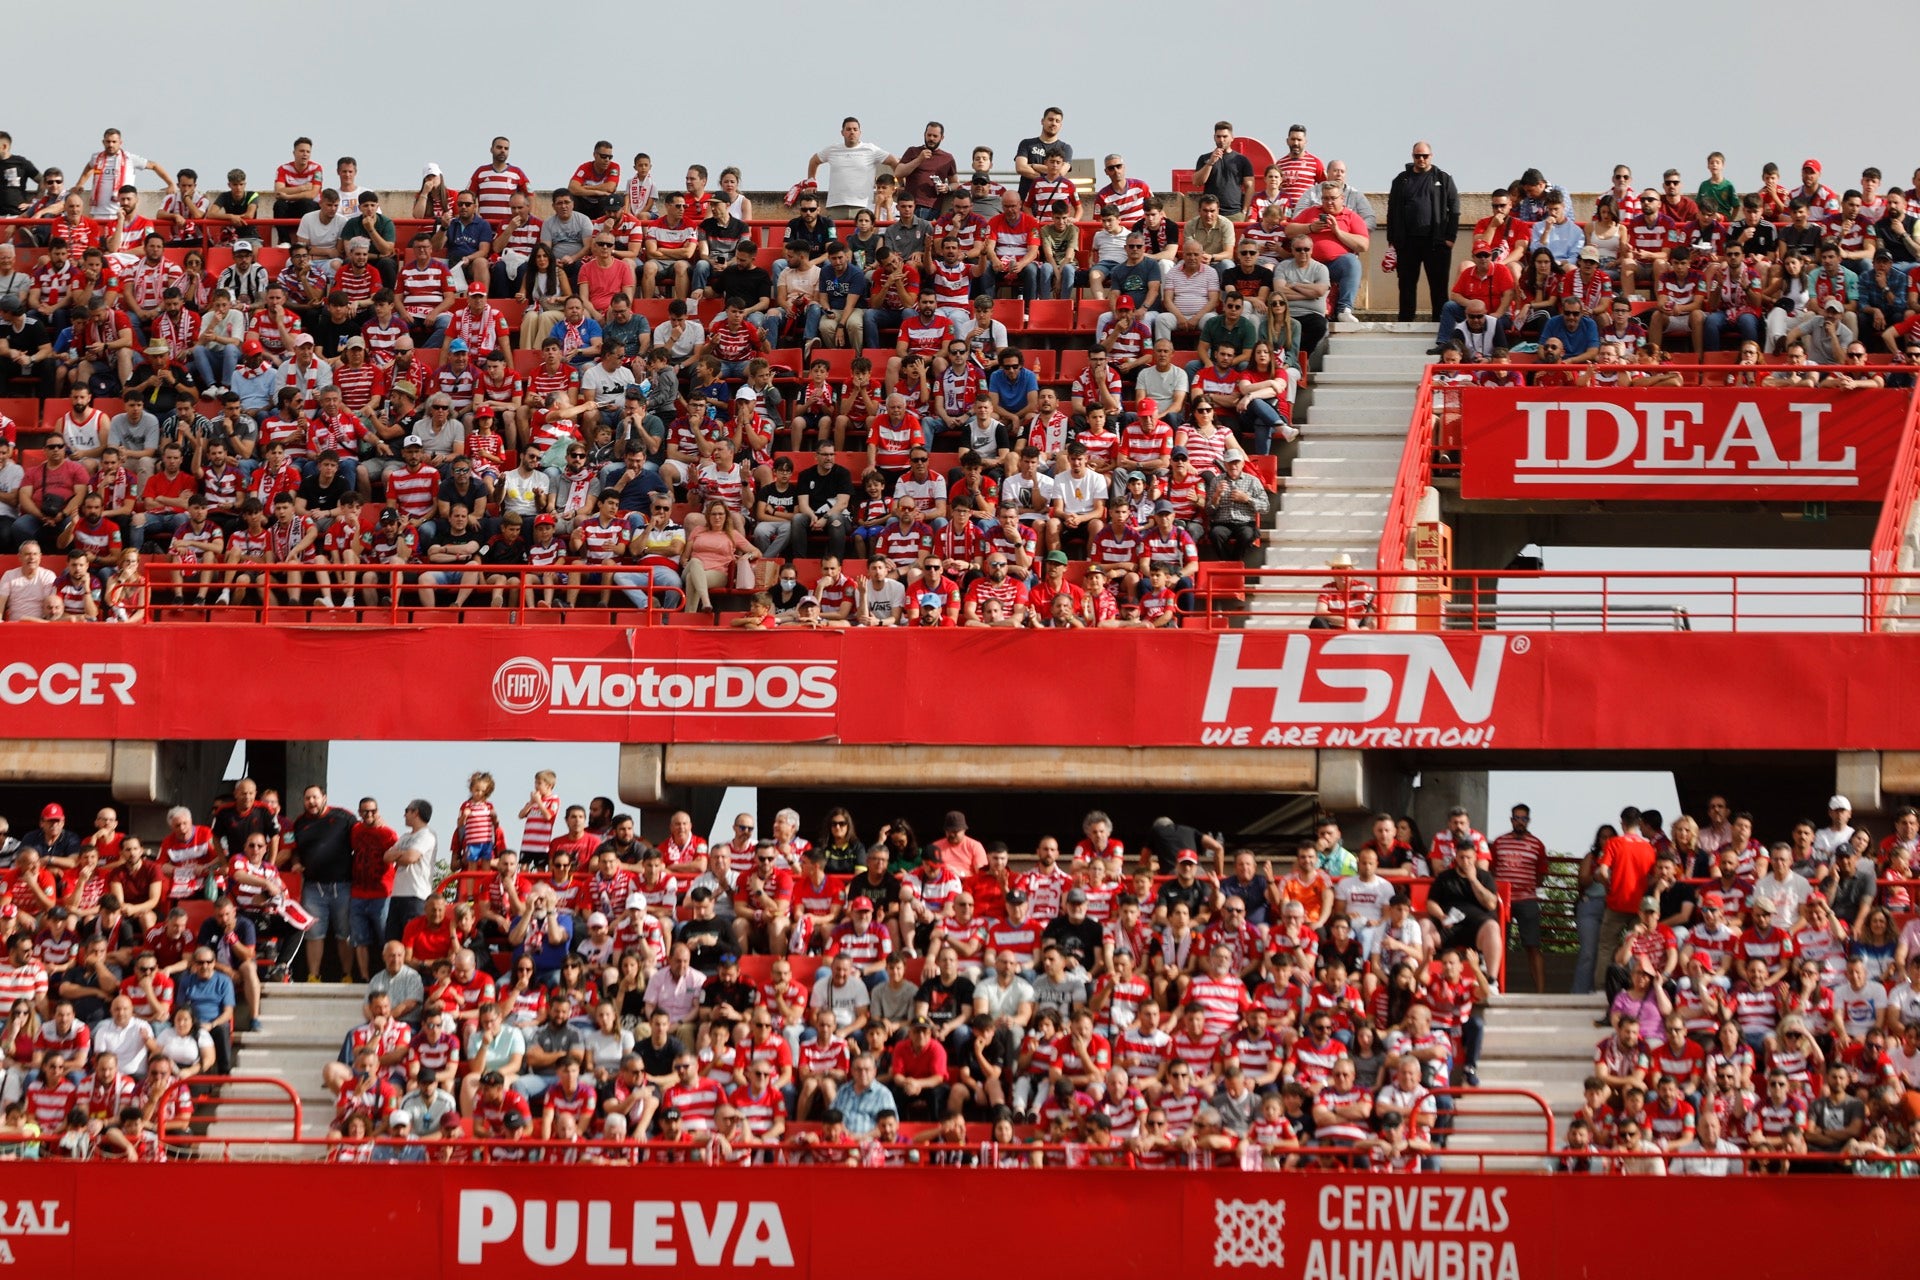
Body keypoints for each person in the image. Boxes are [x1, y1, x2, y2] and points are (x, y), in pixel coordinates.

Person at [1386, 142, 1460, 323]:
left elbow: (1455, 208)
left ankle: (1440, 322)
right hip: (1407, 242)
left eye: (1424, 156)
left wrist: (1450, 237)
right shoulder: (1401, 180)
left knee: (1438, 286)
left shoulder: (1443, 178)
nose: (1421, 159)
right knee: (1406, 284)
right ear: (1412, 156)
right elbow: (1391, 210)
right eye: (1417, 156)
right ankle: (1405, 321)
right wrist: (1392, 239)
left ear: (1431, 156)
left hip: (1436, 242)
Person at [807, 118, 899, 220]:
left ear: (860, 132)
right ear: (842, 132)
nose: (852, 132)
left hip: (863, 206)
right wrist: (811, 181)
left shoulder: (870, 149)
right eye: (848, 129)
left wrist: (901, 183)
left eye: (855, 129)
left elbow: (893, 161)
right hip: (836, 205)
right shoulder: (832, 150)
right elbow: (814, 161)